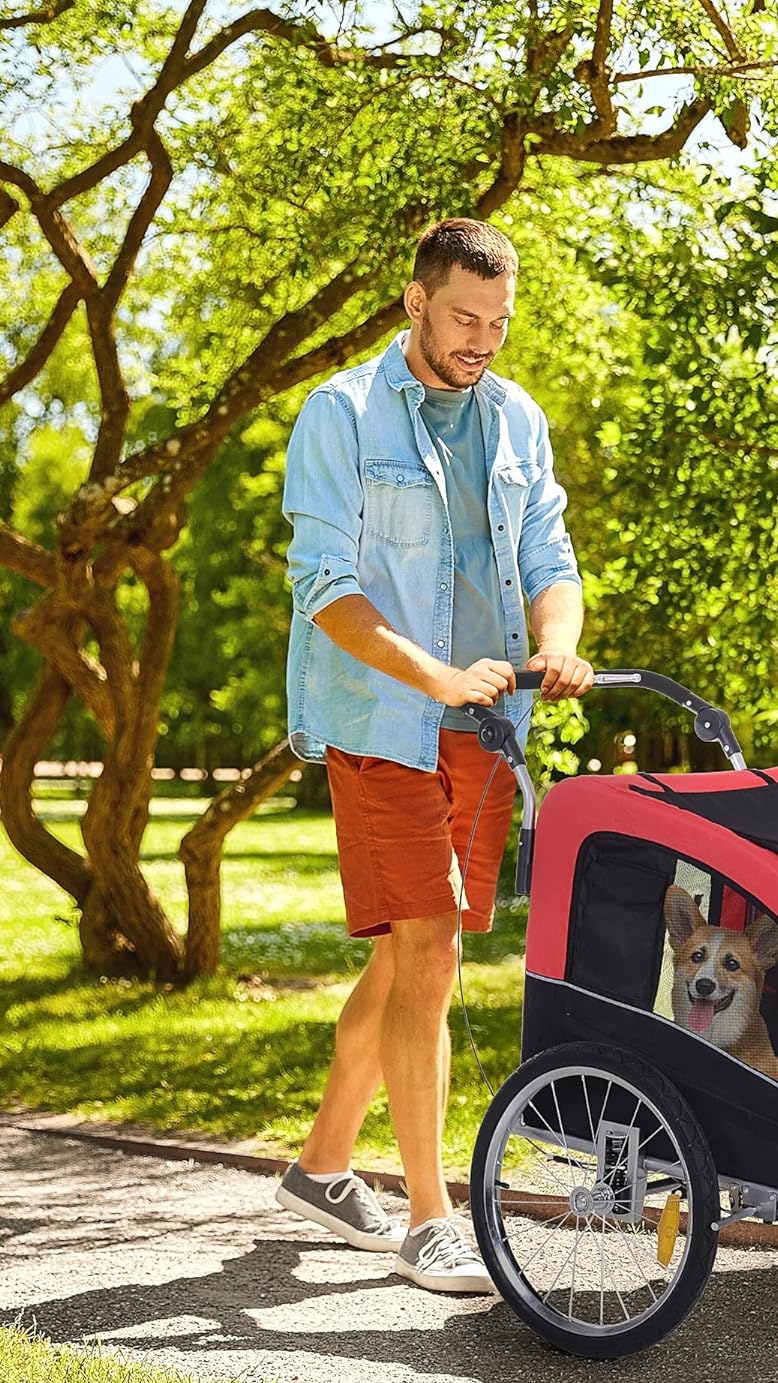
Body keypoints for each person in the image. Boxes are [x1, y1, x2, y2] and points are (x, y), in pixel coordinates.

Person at [274, 218, 592, 1293]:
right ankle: (429, 1217)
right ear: (416, 301)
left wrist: (557, 642)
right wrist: (439, 678)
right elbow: (325, 588)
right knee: (431, 951)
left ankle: (322, 1169)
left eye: (499, 324)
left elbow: (548, 552)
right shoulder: (343, 414)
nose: (482, 342)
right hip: (384, 722)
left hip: (486, 730)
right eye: (464, 318)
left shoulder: (514, 418)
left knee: (413, 952)